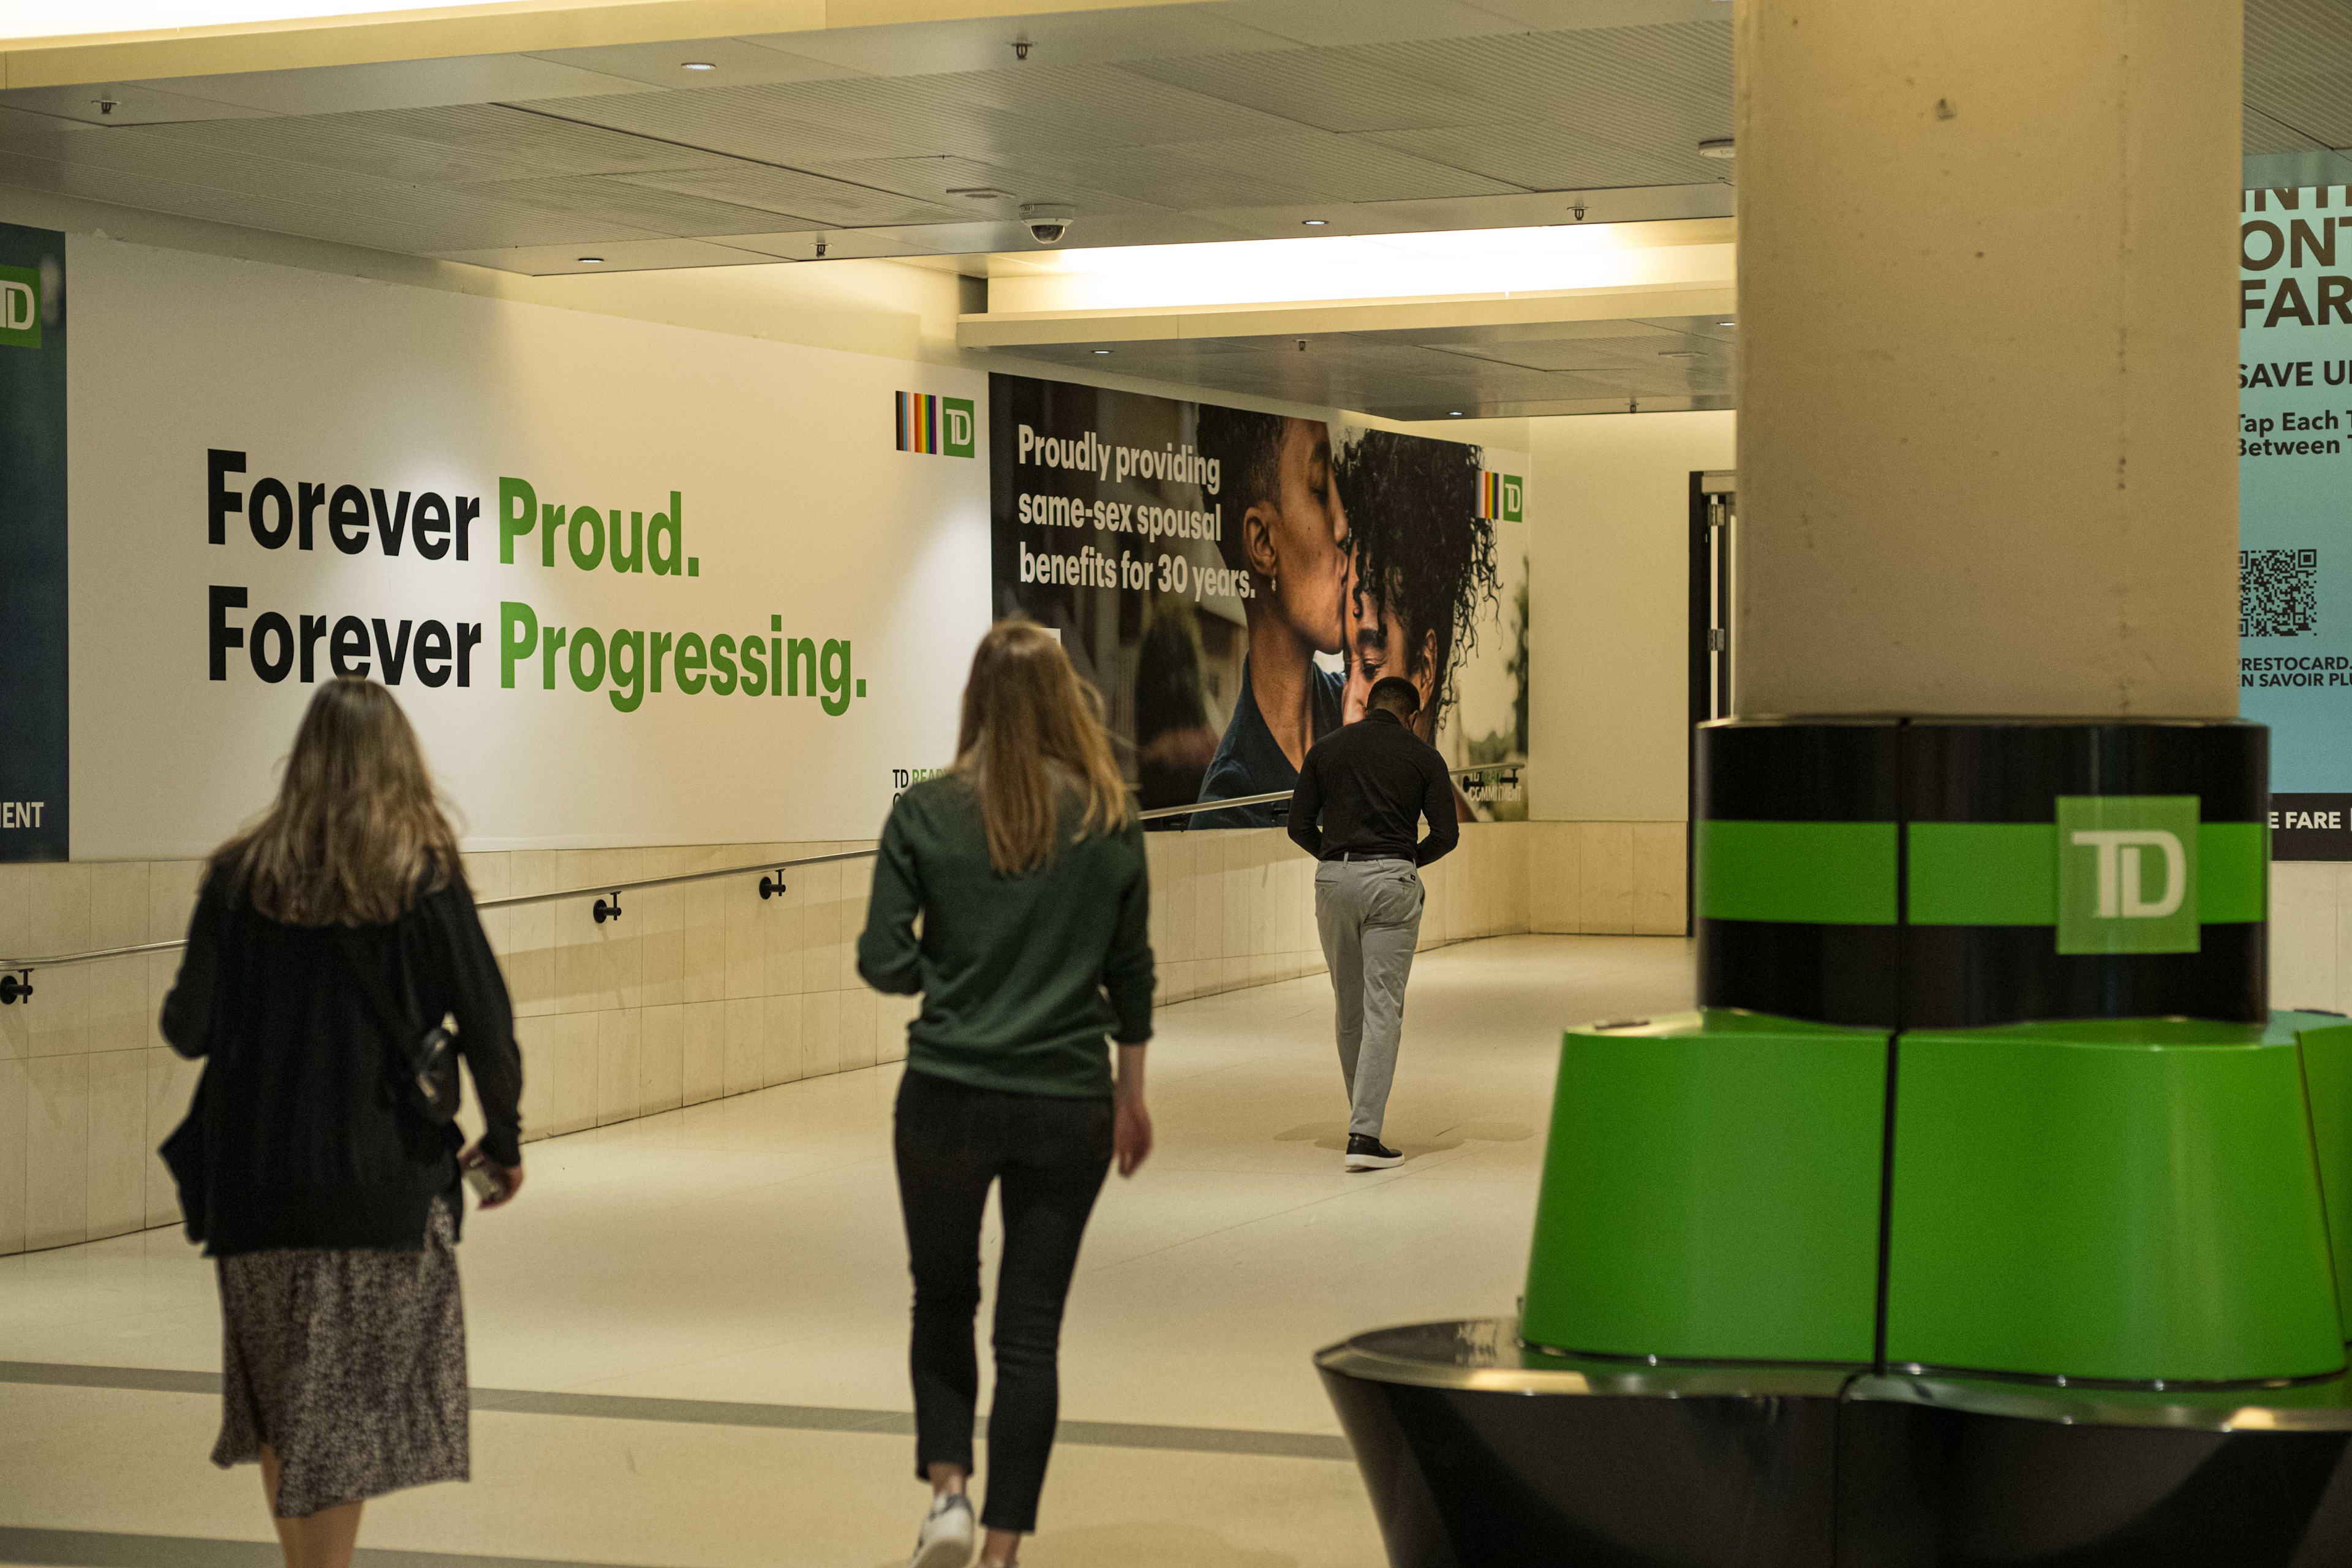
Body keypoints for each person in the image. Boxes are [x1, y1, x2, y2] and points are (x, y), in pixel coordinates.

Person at [159, 678, 523, 1568]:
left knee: (288, 1400)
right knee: (344, 1410)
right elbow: (486, 1019)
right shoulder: (424, 878)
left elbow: (187, 1029)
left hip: (253, 1191)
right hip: (378, 1191)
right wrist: (503, 1141)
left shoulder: (238, 876)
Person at [858, 619, 1156, 1568]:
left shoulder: (926, 815)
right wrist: (1131, 1097)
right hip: (1068, 1103)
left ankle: (948, 1494)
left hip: (945, 1095)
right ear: (1070, 699)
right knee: (1030, 1338)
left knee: (941, 1301)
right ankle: (999, 1553)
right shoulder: (1109, 817)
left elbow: (880, 956)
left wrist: (947, 971)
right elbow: (1133, 974)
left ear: (975, 700)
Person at [1286, 674, 1459, 1171]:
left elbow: (1299, 825)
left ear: (1366, 705)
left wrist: (1339, 860)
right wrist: (1402, 860)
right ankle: (1364, 1133)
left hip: (1335, 880)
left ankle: (1361, 1121)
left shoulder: (1326, 749)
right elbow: (1446, 835)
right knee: (1384, 1007)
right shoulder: (1424, 757)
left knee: (1350, 1008)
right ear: (1412, 715)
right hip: (1393, 882)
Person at [1189, 406, 1352, 828]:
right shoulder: (1228, 814)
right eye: (1319, 489)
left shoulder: (1358, 709)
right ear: (1263, 543)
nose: (1342, 525)